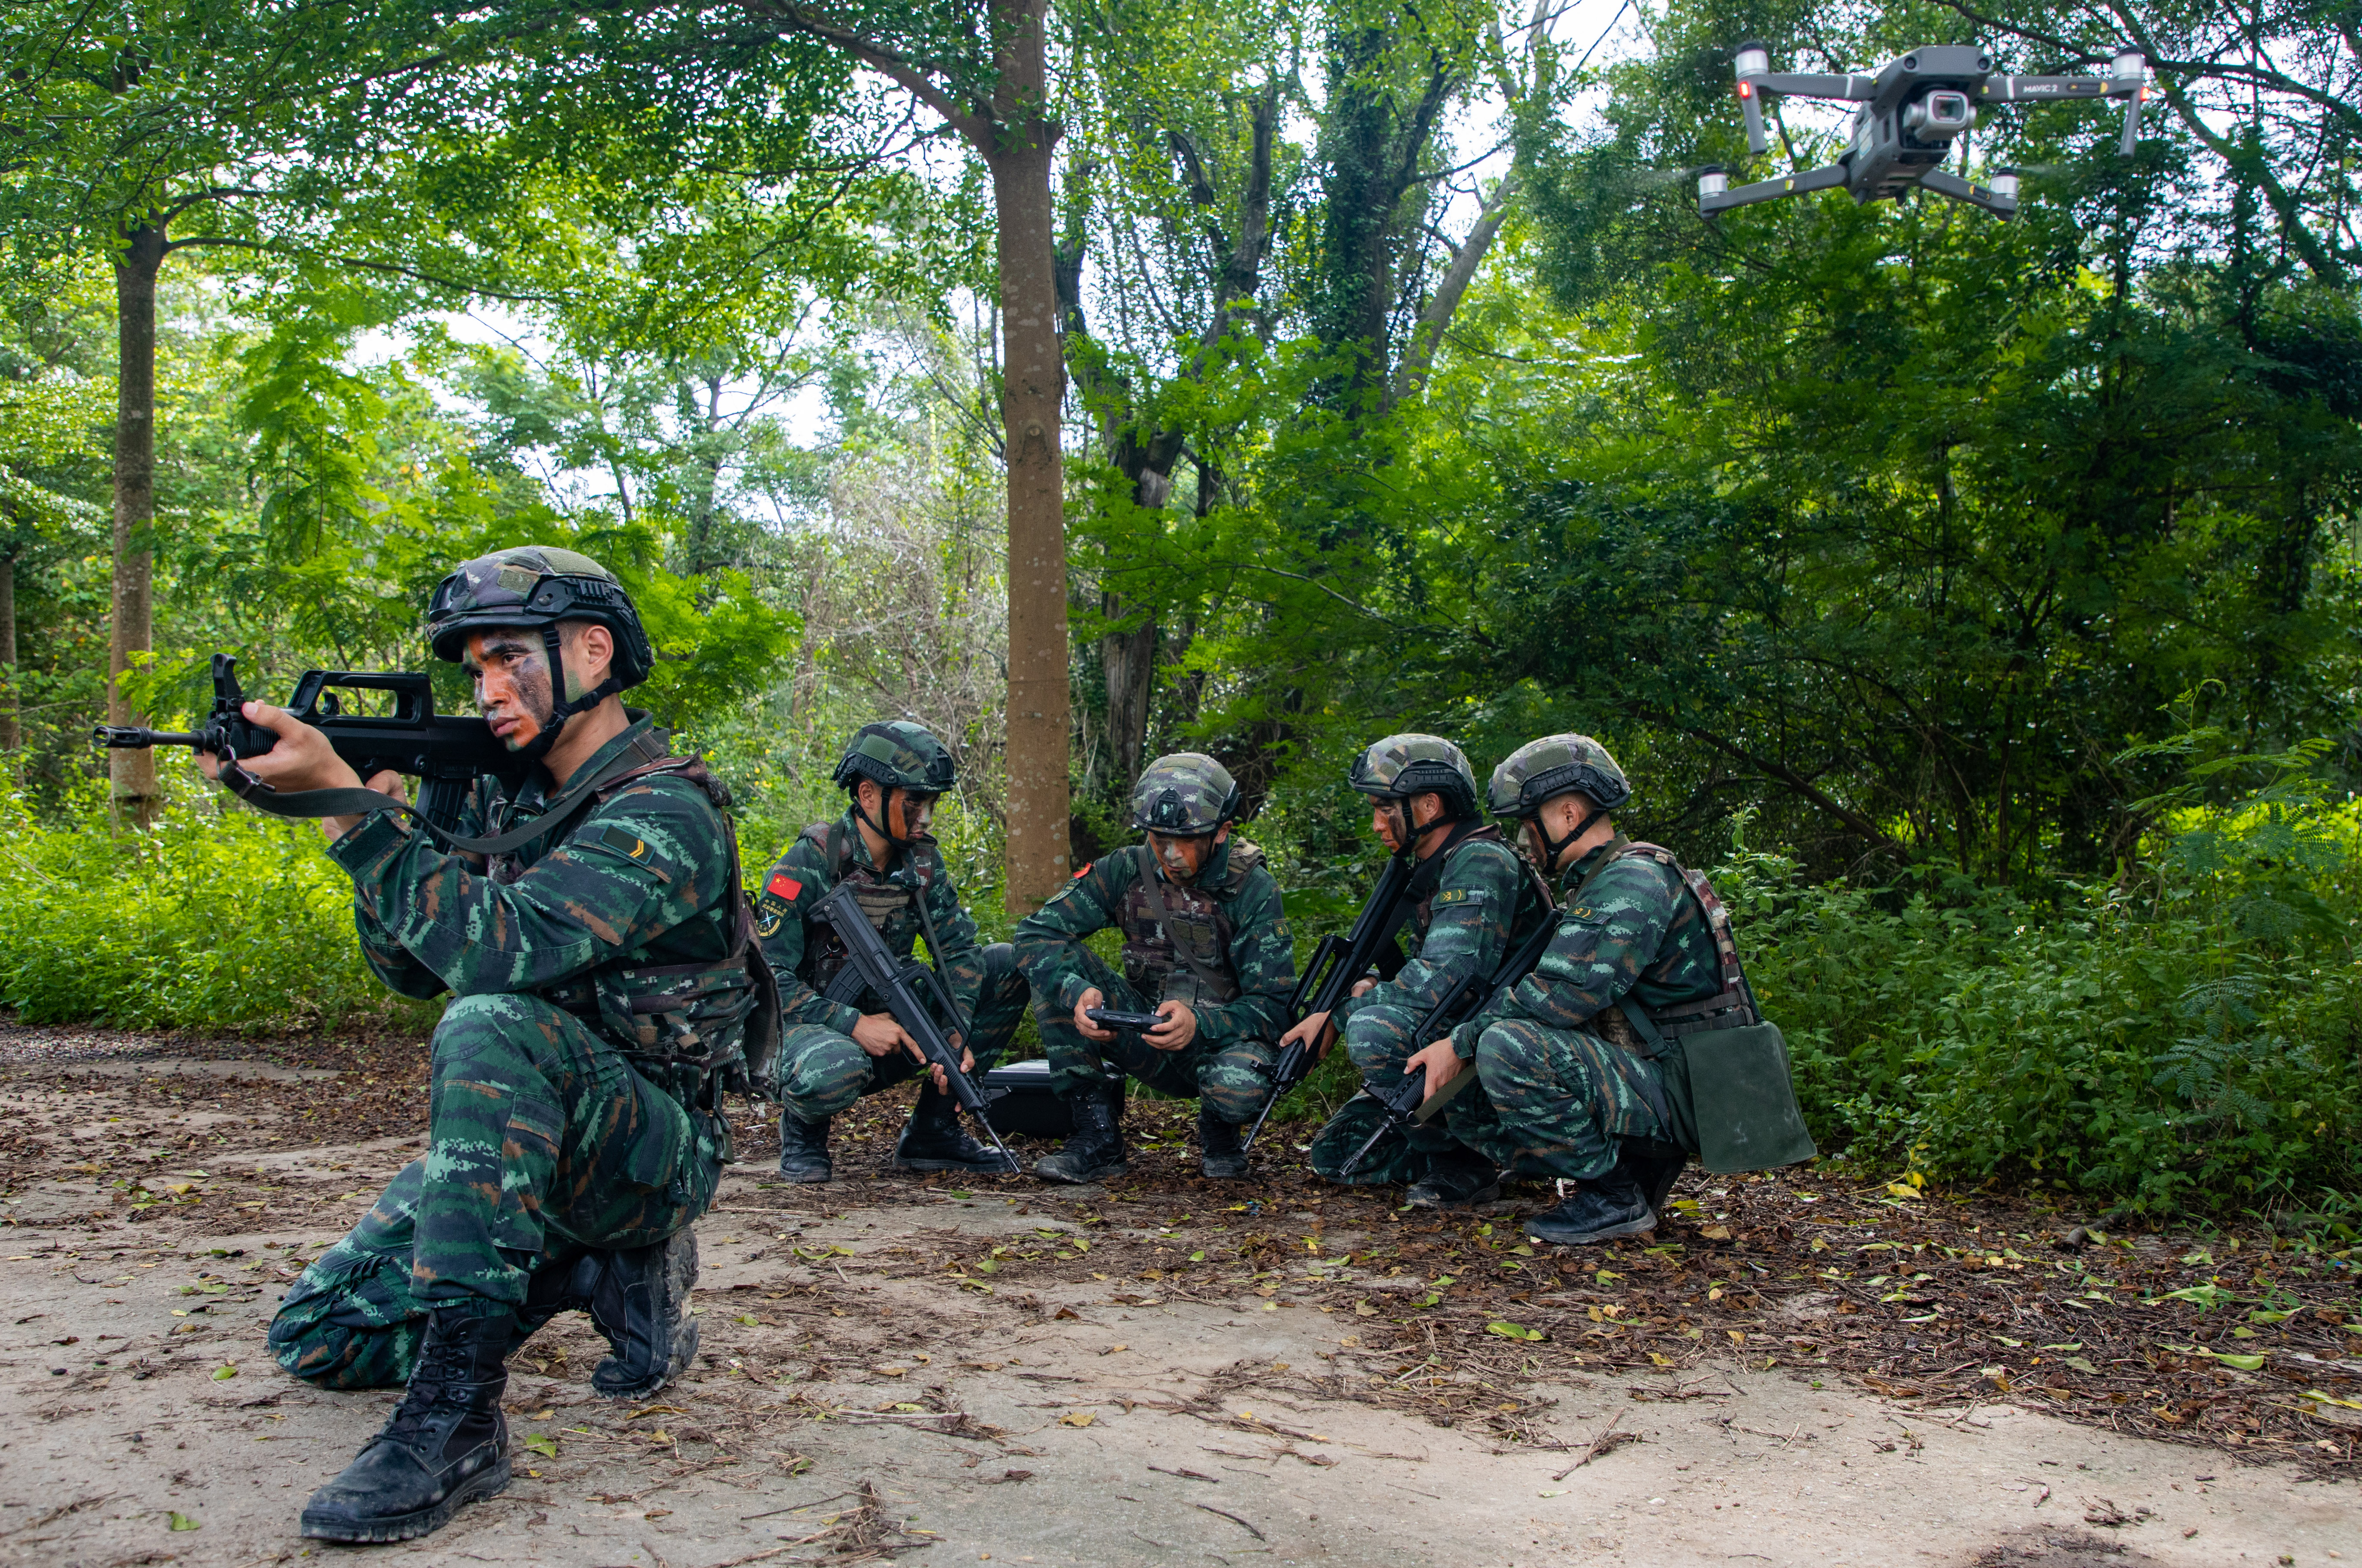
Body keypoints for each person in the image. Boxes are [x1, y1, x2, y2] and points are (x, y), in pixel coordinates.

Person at [229, 547, 768, 1544]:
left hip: (651, 1147)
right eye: (474, 669)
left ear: (592, 652)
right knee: (321, 1335)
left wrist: (356, 820)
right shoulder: (496, 793)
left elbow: (498, 952)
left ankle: (456, 1412)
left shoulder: (665, 808)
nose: (489, 690)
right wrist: (389, 816)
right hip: (540, 1141)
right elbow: (411, 968)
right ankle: (591, 1274)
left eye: (511, 658)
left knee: (491, 1021)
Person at [1427, 733, 1749, 1245]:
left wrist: (1458, 1043)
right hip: (1676, 1076)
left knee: (1504, 1045)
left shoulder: (1631, 882)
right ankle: (1628, 1177)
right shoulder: (1607, 879)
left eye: (1527, 822)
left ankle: (1611, 1194)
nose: (1524, 839)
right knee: (1495, 1039)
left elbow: (1559, 997)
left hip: (1692, 1091)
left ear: (1568, 814)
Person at [758, 721, 1028, 1182]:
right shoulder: (808, 864)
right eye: (914, 802)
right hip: (812, 1029)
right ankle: (803, 1132)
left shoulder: (921, 862)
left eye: (930, 804)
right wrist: (853, 1024)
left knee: (1004, 964)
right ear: (867, 795)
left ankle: (933, 1131)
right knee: (832, 1068)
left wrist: (955, 1030)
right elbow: (764, 982)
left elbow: (960, 950)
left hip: (892, 1022)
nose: (925, 818)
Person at [1297, 734, 1552, 1207]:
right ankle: (1478, 1149)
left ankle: (1470, 1163)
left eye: (1383, 808)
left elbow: (1444, 978)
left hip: (1505, 1044)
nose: (1375, 825)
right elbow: (1423, 962)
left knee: (1371, 1031)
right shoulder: (1431, 866)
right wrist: (1373, 981)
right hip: (1461, 1032)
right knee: (1339, 1153)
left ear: (1429, 805)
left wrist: (1336, 1016)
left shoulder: (1479, 860)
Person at [1014, 752, 1295, 1181]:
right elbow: (1034, 936)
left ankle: (1219, 1130)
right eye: (1158, 838)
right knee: (1053, 973)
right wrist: (1076, 994)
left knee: (1238, 1086)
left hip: (1216, 1045)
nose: (1170, 855)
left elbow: (1275, 1007)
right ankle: (1097, 1133)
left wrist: (1198, 1023)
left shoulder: (1251, 888)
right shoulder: (1127, 868)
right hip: (1141, 1033)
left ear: (1221, 832)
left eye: (1186, 840)